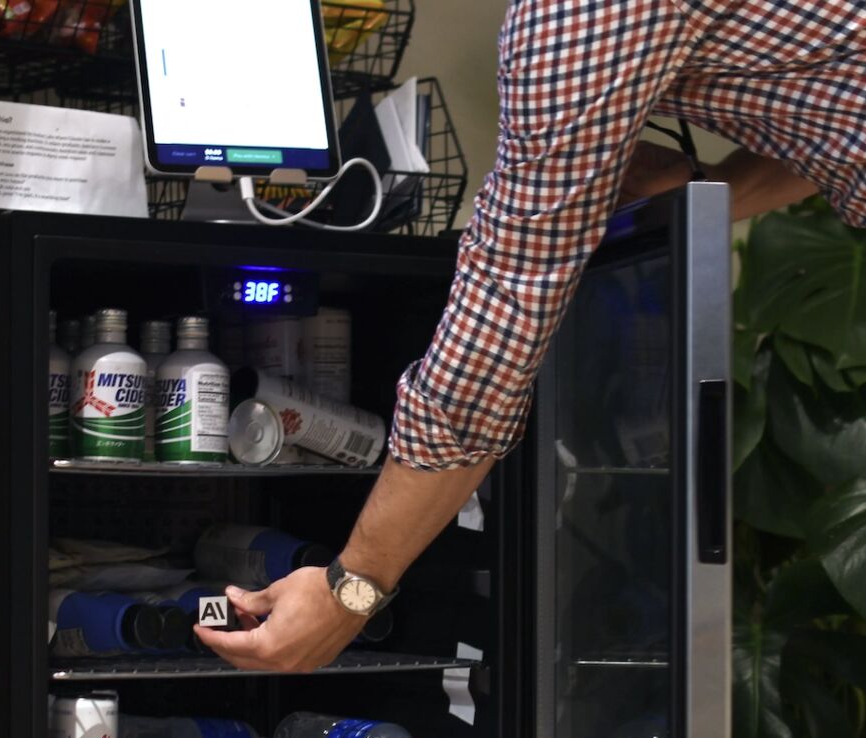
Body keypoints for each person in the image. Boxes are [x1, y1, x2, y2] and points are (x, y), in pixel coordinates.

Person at [195, 0, 864, 672]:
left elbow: (500, 319)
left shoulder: (577, 14)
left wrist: (352, 588)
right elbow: (830, 129)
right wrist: (695, 192)